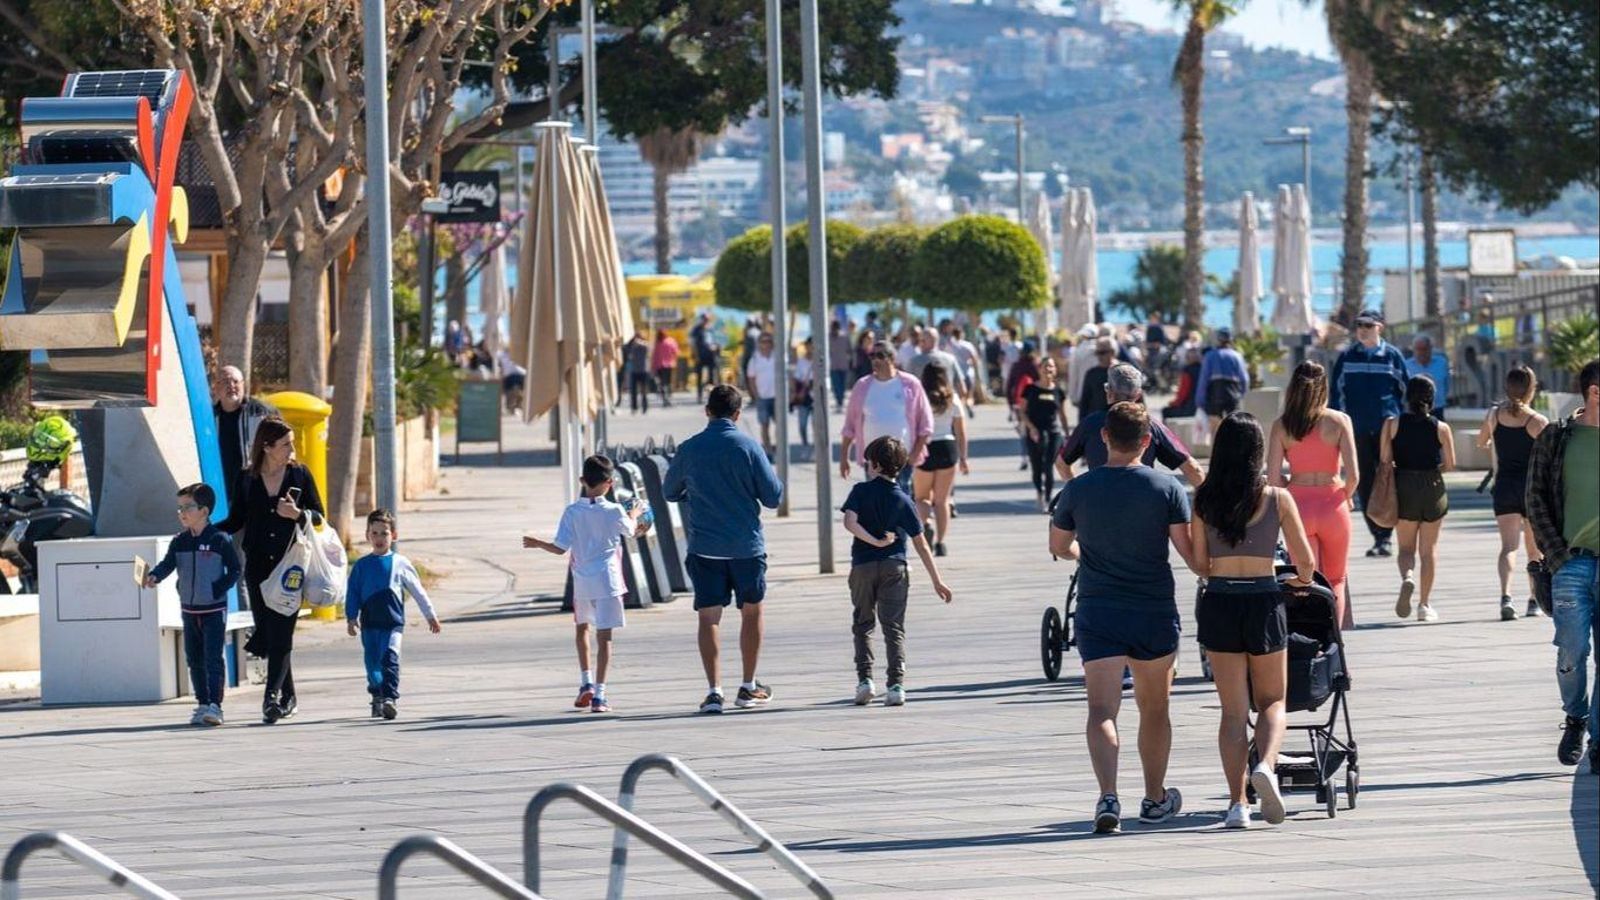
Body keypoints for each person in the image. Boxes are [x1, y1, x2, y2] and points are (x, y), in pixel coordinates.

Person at [1050, 402, 1195, 834]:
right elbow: (1189, 554)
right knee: (1155, 708)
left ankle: (1107, 794)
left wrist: (1084, 554)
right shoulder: (1166, 488)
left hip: (1098, 608)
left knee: (1101, 709)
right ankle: (1154, 798)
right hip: (1153, 609)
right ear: (1148, 442)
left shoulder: (1078, 489)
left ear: (1105, 438)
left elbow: (1060, 545)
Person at [1192, 413, 1318, 829]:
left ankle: (1236, 804)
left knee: (1233, 712)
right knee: (1272, 701)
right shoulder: (1277, 498)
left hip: (1220, 600)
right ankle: (1265, 764)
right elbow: (1305, 562)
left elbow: (1198, 563)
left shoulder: (1204, 499)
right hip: (1264, 599)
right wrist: (1299, 581)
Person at [663, 385, 783, 715]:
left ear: (707, 411)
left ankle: (714, 691)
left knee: (708, 617)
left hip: (705, 547)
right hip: (746, 545)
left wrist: (697, 497)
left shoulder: (690, 448)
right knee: (752, 611)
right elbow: (773, 497)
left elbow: (669, 491)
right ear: (737, 414)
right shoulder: (749, 446)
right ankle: (748, 686)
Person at [216, 416, 324, 723]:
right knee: (268, 631)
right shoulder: (247, 478)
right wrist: (207, 529)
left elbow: (319, 517)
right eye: (286, 443)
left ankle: (271, 699)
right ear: (267, 447)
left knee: (282, 631)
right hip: (258, 565)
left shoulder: (300, 474)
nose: (293, 448)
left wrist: (297, 514)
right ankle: (288, 696)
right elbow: (236, 519)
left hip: (291, 565)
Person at [525, 456, 649, 715]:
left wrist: (537, 542)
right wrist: (635, 512)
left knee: (582, 628)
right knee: (605, 638)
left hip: (582, 581)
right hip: (609, 581)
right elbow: (633, 529)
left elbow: (560, 548)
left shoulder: (572, 511)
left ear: (582, 481)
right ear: (610, 483)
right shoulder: (615, 511)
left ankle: (586, 683)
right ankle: (600, 696)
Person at [1526, 358, 1600, 774]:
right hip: (1571, 563)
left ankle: (1599, 742)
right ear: (1594, 393)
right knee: (1571, 653)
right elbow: (1535, 499)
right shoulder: (1557, 437)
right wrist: (1556, 555)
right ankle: (1576, 718)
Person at [842, 436, 954, 708]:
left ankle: (865, 681)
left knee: (863, 624)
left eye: (869, 461)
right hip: (896, 566)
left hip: (863, 566)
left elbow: (849, 522)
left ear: (876, 465)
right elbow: (921, 543)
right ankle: (896, 686)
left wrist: (872, 541)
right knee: (894, 628)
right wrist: (937, 580)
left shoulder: (859, 491)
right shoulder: (904, 500)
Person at [1267, 362, 1360, 629]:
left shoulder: (1282, 425)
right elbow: (1354, 476)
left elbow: (1273, 478)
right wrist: (1346, 495)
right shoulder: (1340, 421)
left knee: (1306, 579)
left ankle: (1312, 638)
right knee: (1336, 579)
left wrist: (1293, 482)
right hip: (1334, 505)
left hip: (1298, 507)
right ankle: (1335, 641)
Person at [144, 483, 241, 727]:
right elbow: (167, 564)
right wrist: (154, 576)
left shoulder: (219, 539)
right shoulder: (180, 541)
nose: (182, 513)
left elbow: (235, 570)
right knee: (194, 658)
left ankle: (215, 706)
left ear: (205, 511)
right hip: (189, 609)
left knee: (212, 657)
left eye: (188, 507)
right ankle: (201, 703)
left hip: (213, 610)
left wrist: (218, 588)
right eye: (179, 508)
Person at [345, 509, 440, 720]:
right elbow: (352, 593)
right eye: (375, 533)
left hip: (393, 623)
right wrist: (351, 618)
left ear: (394, 536)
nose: (379, 538)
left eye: (384, 533)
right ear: (367, 535)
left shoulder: (401, 563)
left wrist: (430, 614)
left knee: (390, 658)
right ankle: (377, 696)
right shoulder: (361, 566)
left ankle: (389, 698)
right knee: (372, 662)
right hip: (369, 624)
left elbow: (418, 590)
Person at [1329, 308, 1408, 557]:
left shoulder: (1393, 357)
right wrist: (1335, 428)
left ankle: (1391, 532)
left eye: (1368, 325)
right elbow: (1336, 395)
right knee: (1364, 482)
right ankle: (1380, 537)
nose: (1362, 329)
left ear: (1379, 327)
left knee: (1389, 480)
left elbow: (1406, 393)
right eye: (1359, 325)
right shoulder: (1347, 357)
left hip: (1389, 431)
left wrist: (1405, 427)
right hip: (1357, 430)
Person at [1475, 366, 1548, 621]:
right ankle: (1534, 600)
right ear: (1531, 389)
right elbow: (1551, 455)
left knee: (1508, 547)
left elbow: (1481, 442)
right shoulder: (1537, 421)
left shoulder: (1494, 415)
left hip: (1504, 486)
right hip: (1531, 490)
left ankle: (1506, 597)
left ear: (1507, 387)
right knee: (1534, 549)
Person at [1381, 375, 1456, 622]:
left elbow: (1385, 460)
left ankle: (1407, 578)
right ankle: (1424, 605)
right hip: (1433, 487)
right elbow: (1451, 464)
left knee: (1405, 548)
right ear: (1432, 399)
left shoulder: (1392, 424)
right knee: (1429, 550)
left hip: (1404, 486)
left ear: (1407, 397)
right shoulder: (1440, 427)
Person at [1059, 364, 1205, 490]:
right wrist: (1199, 515)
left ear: (1109, 392)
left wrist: (1077, 493)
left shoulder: (1090, 424)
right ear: (1138, 394)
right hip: (1144, 511)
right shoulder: (1150, 425)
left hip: (1098, 511)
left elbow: (1061, 463)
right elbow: (1195, 471)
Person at [840, 341, 934, 494]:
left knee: (900, 503)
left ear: (891, 358)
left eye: (880, 355)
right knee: (876, 504)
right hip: (873, 459)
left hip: (901, 458)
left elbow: (926, 423)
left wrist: (914, 454)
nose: (875, 360)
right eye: (872, 356)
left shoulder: (910, 384)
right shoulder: (862, 386)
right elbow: (849, 426)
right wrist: (844, 458)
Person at [914, 363, 969, 557]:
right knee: (942, 500)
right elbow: (961, 431)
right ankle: (941, 542)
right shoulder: (952, 398)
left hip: (926, 448)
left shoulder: (920, 397)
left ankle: (925, 525)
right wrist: (963, 457)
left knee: (921, 498)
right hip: (947, 447)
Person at [212, 366, 278, 508]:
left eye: (236, 382)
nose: (231, 386)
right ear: (216, 388)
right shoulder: (209, 418)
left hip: (255, 492)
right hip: (220, 494)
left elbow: (281, 447)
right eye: (225, 382)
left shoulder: (262, 413)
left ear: (243, 385)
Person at [1022, 357, 1070, 512]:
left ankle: (1049, 498)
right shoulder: (1030, 389)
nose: (1048, 369)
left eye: (1051, 366)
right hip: (1035, 431)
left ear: (1055, 370)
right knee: (1037, 465)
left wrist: (1067, 434)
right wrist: (1031, 428)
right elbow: (1022, 412)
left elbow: (1062, 414)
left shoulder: (1058, 391)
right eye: (1045, 366)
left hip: (1053, 432)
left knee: (1049, 464)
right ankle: (1039, 492)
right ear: (1039, 369)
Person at [1197, 327, 1249, 431]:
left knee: (1215, 432)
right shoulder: (1237, 356)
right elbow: (1245, 380)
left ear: (1218, 340)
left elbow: (1203, 381)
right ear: (1231, 340)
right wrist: (1240, 395)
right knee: (1233, 429)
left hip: (1214, 398)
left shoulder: (1209, 356)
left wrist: (1200, 402)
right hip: (1233, 397)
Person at [907, 328, 969, 400]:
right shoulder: (950, 359)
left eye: (921, 340)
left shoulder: (914, 362)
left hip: (924, 405)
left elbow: (907, 388)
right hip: (947, 402)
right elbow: (962, 389)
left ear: (923, 341)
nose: (919, 344)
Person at [745, 332, 779, 452]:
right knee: (764, 424)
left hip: (777, 396)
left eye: (769, 341)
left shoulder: (777, 356)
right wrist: (756, 395)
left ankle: (779, 446)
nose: (767, 344)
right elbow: (751, 378)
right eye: (764, 341)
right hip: (762, 396)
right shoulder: (754, 359)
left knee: (779, 424)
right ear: (759, 344)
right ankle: (767, 448)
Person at [1406, 334, 1450, 417]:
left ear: (1430, 349)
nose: (1421, 352)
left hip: (1437, 409)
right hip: (1414, 412)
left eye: (1424, 349)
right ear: (1413, 350)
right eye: (1418, 349)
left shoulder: (1441, 363)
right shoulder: (1406, 365)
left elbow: (1447, 384)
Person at [1077, 339, 1115, 418]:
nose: (1099, 356)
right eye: (1097, 353)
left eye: (1102, 353)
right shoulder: (1091, 374)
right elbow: (1084, 401)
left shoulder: (1122, 371)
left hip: (1120, 421)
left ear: (1112, 352)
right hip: (1097, 421)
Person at [1162, 347, 1203, 421]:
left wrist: (1173, 403)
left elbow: (1183, 394)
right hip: (1202, 408)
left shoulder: (1187, 372)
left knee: (1165, 411)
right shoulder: (1203, 370)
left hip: (1189, 408)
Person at [689, 313, 721, 401]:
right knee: (699, 376)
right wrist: (695, 355)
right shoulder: (696, 330)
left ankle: (711, 396)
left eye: (707, 319)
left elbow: (715, 340)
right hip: (700, 355)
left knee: (711, 376)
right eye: (705, 319)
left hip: (711, 355)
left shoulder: (711, 329)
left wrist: (715, 346)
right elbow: (693, 343)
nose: (706, 321)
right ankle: (699, 395)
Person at [792, 338, 816, 446]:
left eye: (813, 345)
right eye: (809, 345)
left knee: (817, 423)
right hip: (804, 395)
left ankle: (817, 444)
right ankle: (804, 442)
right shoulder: (801, 361)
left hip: (816, 395)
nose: (811, 348)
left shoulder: (819, 361)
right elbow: (796, 378)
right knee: (802, 423)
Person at [624, 330, 652, 414]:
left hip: (644, 370)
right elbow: (626, 349)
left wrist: (639, 342)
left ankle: (645, 407)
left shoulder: (644, 344)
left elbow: (648, 348)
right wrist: (632, 344)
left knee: (644, 391)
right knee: (634, 391)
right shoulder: (631, 345)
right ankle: (634, 407)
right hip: (634, 370)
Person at [828, 320, 853, 412]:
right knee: (836, 384)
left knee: (842, 384)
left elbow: (850, 349)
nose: (834, 330)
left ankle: (840, 401)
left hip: (843, 365)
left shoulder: (845, 337)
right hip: (833, 365)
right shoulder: (828, 338)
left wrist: (851, 362)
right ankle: (838, 401)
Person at [651, 329, 679, 407]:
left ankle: (664, 399)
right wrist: (673, 359)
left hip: (659, 366)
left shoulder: (657, 343)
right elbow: (676, 352)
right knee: (668, 382)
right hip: (669, 365)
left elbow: (654, 356)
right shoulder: (671, 341)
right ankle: (669, 398)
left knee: (662, 383)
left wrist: (652, 366)